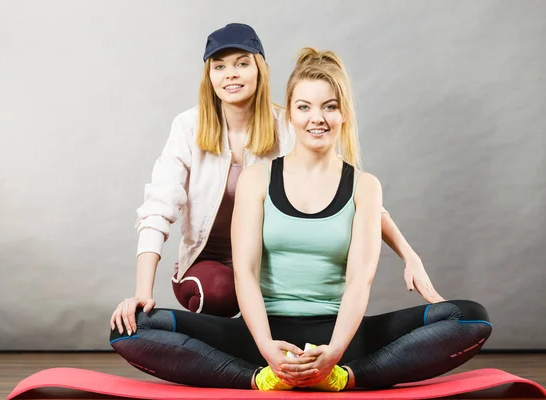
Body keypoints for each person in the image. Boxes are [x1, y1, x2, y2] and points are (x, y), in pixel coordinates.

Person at [109, 47, 492, 392]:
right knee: (132, 329)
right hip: (264, 335)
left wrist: (336, 351)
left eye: (329, 106)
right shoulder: (257, 180)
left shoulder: (365, 187)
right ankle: (260, 378)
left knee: (468, 317)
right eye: (304, 107)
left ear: (344, 113)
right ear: (288, 114)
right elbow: (244, 271)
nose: (317, 118)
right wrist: (267, 349)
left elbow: (361, 279)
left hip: (342, 335)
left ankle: (344, 377)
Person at [110, 23, 443, 336]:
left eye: (241, 64)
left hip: (269, 259)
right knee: (221, 290)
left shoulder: (288, 123)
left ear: (260, 69)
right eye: (219, 67)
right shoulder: (188, 127)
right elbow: (159, 207)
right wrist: (142, 293)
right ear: (208, 76)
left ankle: (273, 339)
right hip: (209, 264)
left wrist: (409, 256)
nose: (231, 75)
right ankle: (233, 341)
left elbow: (349, 192)